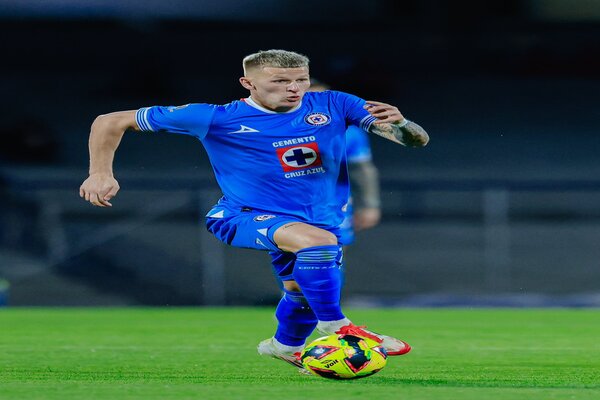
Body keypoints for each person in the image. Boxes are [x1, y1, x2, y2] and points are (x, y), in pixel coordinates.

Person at [79, 49, 429, 371]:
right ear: (249, 83)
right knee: (318, 244)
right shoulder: (215, 117)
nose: (293, 88)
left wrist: (400, 124)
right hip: (240, 215)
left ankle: (285, 345)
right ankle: (338, 327)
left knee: (300, 291)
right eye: (279, 81)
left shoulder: (335, 103)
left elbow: (415, 140)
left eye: (300, 79)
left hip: (318, 216)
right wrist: (100, 172)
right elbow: (109, 121)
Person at [309, 79, 381, 246]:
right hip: (288, 203)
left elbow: (362, 170)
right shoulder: (276, 130)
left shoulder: (349, 134)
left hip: (332, 204)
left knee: (332, 252)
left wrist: (370, 205)